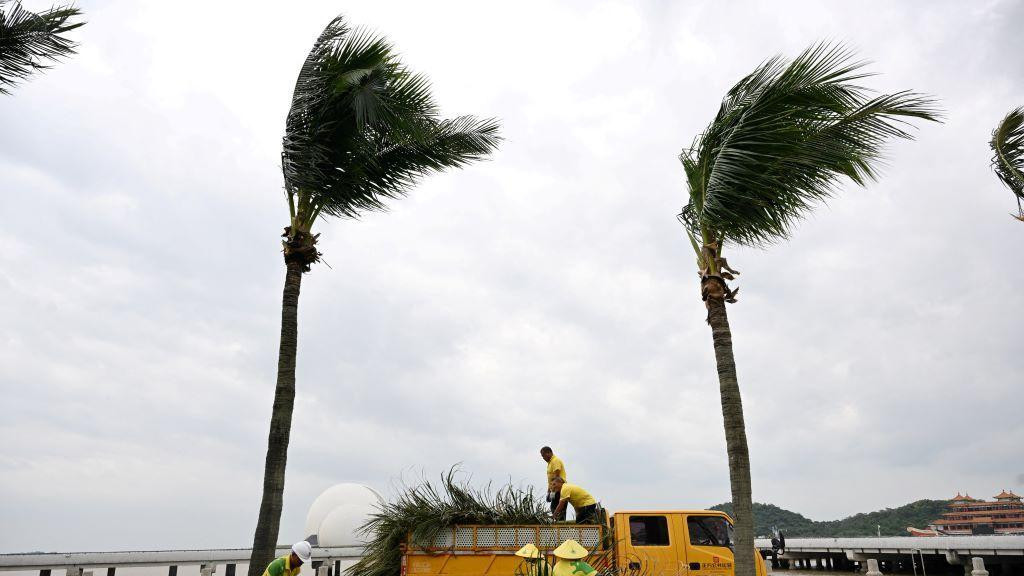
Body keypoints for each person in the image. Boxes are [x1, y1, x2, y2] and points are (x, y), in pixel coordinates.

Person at [540, 446, 566, 520]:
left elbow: (556, 478)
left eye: (543, 455)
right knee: (554, 508)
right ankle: (559, 527)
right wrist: (549, 492)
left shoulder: (555, 461)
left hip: (559, 489)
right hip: (555, 489)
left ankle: (561, 528)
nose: (543, 458)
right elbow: (551, 481)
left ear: (549, 453)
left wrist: (552, 492)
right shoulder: (550, 463)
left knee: (558, 510)